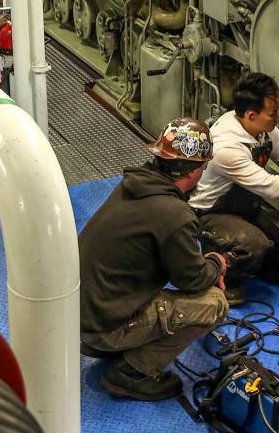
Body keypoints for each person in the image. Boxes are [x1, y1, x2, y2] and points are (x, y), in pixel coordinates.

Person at [80, 118, 230, 402]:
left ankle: (117, 344)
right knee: (214, 304)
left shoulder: (134, 184)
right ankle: (132, 372)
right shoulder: (173, 213)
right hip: (103, 327)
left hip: (82, 312)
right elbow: (192, 280)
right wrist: (215, 264)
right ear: (196, 171)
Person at [189, 73, 279, 301]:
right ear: (251, 115)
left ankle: (239, 256)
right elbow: (272, 188)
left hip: (243, 208)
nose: (278, 117)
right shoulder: (228, 147)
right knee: (254, 245)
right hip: (210, 212)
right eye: (273, 113)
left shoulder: (264, 129)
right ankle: (215, 269)